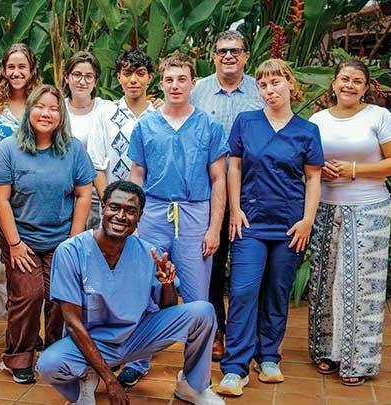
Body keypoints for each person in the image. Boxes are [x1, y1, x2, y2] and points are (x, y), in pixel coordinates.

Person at [36, 180, 225, 405]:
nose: (121, 216)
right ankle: (84, 380)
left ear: (139, 217)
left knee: (203, 311)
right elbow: (73, 322)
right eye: (115, 207)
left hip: (136, 336)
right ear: (103, 207)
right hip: (93, 341)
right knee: (49, 364)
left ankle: (192, 386)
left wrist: (167, 284)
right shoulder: (71, 252)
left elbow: (169, 310)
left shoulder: (147, 253)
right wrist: (110, 380)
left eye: (130, 211)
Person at [217, 59, 323, 396]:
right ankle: (235, 368)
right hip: (251, 223)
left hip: (290, 226)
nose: (269, 90)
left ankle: (268, 357)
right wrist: (235, 210)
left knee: (277, 292)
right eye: (263, 85)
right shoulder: (246, 122)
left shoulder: (307, 131)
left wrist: (307, 219)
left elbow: (313, 177)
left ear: (290, 84)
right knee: (244, 291)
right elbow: (234, 168)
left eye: (275, 83)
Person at [121, 52, 228, 387]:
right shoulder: (146, 126)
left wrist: (214, 228)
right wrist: (131, 222)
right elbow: (136, 174)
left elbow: (218, 180)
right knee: (147, 289)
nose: (175, 85)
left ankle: (195, 379)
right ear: (161, 83)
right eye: (169, 79)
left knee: (198, 300)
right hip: (152, 212)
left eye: (182, 79)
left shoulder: (209, 126)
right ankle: (138, 363)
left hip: (195, 215)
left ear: (193, 83)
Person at [307, 59, 391, 386]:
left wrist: (354, 170)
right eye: (344, 79)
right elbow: (305, 162)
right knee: (325, 282)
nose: (350, 85)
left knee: (362, 287)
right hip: (324, 207)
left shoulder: (379, 117)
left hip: (369, 210)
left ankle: (358, 362)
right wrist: (320, 170)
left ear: (366, 87)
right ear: (333, 84)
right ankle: (326, 351)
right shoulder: (317, 120)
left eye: (357, 81)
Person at [0, 84, 95, 384]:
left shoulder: (73, 149)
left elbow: (84, 194)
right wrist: (15, 244)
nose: (46, 113)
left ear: (61, 115)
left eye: (53, 108)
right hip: (20, 237)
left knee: (59, 297)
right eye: (40, 106)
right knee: (29, 293)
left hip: (61, 239)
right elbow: (0, 200)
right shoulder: (9, 149)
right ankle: (18, 355)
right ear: (29, 111)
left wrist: (72, 242)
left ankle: (56, 353)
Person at [190, 30, 264, 359]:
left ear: (246, 55)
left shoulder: (260, 91)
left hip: (256, 192)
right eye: (222, 51)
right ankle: (217, 331)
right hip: (212, 193)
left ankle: (246, 333)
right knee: (214, 267)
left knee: (250, 269)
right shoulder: (198, 92)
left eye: (235, 50)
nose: (228, 56)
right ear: (213, 56)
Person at [0, 43, 42, 323]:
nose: (16, 72)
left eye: (22, 66)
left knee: (34, 259)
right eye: (11, 67)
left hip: (38, 194)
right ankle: (12, 324)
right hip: (1, 192)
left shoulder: (42, 101)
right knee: (2, 264)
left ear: (31, 70)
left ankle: (35, 324)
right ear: (3, 70)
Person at [87, 49, 156, 199]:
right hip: (112, 207)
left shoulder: (159, 117)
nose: (133, 80)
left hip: (152, 209)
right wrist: (108, 201)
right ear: (119, 77)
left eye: (140, 73)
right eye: (127, 73)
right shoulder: (104, 114)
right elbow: (96, 164)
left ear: (150, 77)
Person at [62, 51, 113, 229]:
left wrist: (155, 106)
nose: (82, 81)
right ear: (67, 77)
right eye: (77, 75)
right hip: (65, 192)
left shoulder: (107, 109)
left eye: (88, 76)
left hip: (98, 192)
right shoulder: (56, 108)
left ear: (95, 81)